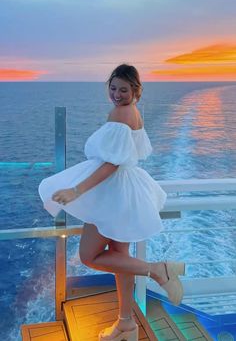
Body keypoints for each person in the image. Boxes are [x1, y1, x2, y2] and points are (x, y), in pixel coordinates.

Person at [39, 64, 185, 341]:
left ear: (136, 91)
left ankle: (157, 270)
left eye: (124, 89)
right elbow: (128, 156)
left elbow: (112, 164)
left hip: (112, 193)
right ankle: (126, 324)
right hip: (126, 193)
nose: (117, 94)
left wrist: (76, 190)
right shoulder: (134, 112)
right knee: (120, 260)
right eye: (113, 88)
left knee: (89, 256)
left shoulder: (121, 114)